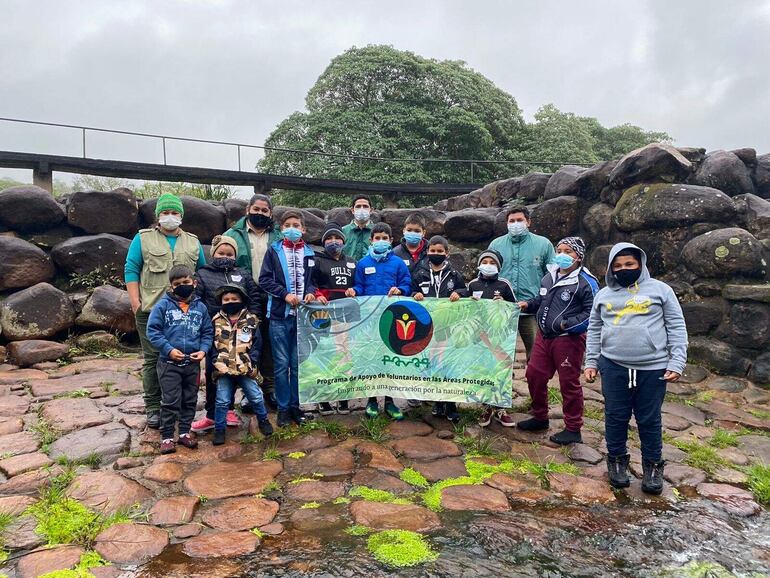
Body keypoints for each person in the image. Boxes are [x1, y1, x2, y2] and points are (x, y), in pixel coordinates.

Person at [584, 242, 687, 495]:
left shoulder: (660, 290)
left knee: (649, 419)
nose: (623, 269)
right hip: (613, 365)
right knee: (615, 416)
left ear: (640, 263)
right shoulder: (604, 294)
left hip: (653, 368)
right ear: (610, 268)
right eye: (617, 266)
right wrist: (591, 361)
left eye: (629, 264)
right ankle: (617, 461)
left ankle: (653, 466)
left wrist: (677, 361)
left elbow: (676, 325)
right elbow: (594, 329)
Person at [124, 193, 206, 429]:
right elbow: (131, 268)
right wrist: (135, 302)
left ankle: (178, 405)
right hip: (151, 309)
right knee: (153, 359)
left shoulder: (192, 241)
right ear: (158, 215)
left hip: (185, 312)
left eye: (174, 213)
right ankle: (153, 407)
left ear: (181, 215)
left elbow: (201, 272)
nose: (170, 217)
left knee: (183, 358)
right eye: (165, 212)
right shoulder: (143, 238)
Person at [517, 237, 599, 445]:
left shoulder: (586, 282)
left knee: (568, 383)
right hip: (543, 337)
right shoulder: (549, 276)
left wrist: (566, 325)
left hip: (568, 340)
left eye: (568, 251)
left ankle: (573, 428)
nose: (562, 254)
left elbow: (592, 313)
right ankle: (540, 416)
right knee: (534, 374)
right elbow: (542, 299)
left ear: (578, 257)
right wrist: (528, 304)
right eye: (559, 250)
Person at [191, 235, 262, 433]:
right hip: (215, 330)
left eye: (230, 253)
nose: (226, 256)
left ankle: (231, 409)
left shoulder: (243, 273)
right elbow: (196, 300)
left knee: (240, 367)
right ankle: (213, 413)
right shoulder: (203, 274)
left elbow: (254, 296)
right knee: (216, 370)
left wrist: (253, 319)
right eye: (222, 253)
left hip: (241, 330)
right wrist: (204, 324)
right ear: (213, 254)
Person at [259, 210, 317, 427]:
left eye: (296, 225)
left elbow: (312, 280)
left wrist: (310, 291)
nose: (292, 228)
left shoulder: (310, 254)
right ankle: (283, 409)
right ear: (281, 229)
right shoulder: (273, 251)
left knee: (297, 363)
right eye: (287, 225)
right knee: (282, 365)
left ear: (303, 229)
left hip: (302, 318)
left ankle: (296, 406)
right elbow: (264, 279)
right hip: (279, 316)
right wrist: (284, 294)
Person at [146, 265, 213, 454]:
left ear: (194, 283)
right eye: (178, 284)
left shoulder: (200, 308)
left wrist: (203, 351)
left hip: (192, 364)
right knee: (170, 400)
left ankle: (184, 433)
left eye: (186, 282)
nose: (182, 286)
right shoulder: (163, 306)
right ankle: (167, 436)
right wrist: (168, 350)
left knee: (190, 399)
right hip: (169, 364)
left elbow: (207, 332)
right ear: (171, 287)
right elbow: (153, 331)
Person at [224, 194, 281, 410]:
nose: (259, 213)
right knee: (246, 344)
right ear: (248, 209)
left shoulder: (277, 236)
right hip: (244, 296)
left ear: (270, 213)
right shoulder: (233, 234)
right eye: (256, 209)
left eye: (264, 211)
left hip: (273, 296)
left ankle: (270, 389)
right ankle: (249, 390)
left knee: (269, 344)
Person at [351, 222, 411, 420]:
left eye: (385, 238)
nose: (381, 241)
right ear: (371, 240)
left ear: (391, 241)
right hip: (369, 321)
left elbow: (406, 285)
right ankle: (371, 401)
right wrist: (354, 291)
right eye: (377, 238)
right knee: (370, 359)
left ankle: (390, 402)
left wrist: (400, 290)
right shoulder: (363, 264)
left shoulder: (398, 263)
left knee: (390, 360)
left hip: (391, 320)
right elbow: (359, 286)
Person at [488, 206, 555, 362]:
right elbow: (487, 273)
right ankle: (502, 384)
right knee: (499, 353)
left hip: (531, 309)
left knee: (536, 354)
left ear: (528, 222)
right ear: (507, 223)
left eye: (519, 220)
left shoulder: (543, 244)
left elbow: (552, 277)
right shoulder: (496, 245)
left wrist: (541, 301)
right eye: (512, 221)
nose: (515, 224)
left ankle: (535, 383)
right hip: (502, 309)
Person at [411, 235, 466, 423]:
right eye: (433, 251)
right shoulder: (420, 274)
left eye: (439, 251)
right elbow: (411, 290)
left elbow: (464, 290)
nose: (436, 254)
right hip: (427, 326)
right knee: (432, 362)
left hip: (447, 325)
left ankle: (451, 404)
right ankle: (437, 401)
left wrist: (458, 293)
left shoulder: (454, 274)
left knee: (447, 363)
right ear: (427, 252)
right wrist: (414, 294)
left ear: (447, 253)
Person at [210, 284, 273, 445]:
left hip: (245, 367)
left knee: (256, 397)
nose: (230, 302)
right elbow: (211, 344)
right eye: (226, 299)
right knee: (222, 400)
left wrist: (253, 361)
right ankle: (219, 429)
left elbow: (257, 343)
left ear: (242, 301)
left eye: (234, 299)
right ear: (221, 301)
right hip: (223, 367)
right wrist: (215, 361)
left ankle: (263, 420)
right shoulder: (216, 320)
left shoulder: (251, 320)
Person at [467, 250, 516, 428]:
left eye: (492, 262)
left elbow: (515, 308)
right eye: (485, 261)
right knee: (485, 370)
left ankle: (501, 408)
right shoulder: (473, 284)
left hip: (500, 336)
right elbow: (465, 309)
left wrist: (503, 303)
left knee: (502, 369)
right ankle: (486, 406)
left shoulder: (504, 284)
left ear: (498, 266)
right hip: (480, 337)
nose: (488, 265)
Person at [312, 222, 357, 415]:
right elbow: (309, 283)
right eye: (329, 238)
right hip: (323, 315)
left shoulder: (353, 262)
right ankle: (324, 397)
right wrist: (316, 293)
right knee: (325, 353)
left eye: (337, 237)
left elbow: (360, 284)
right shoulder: (316, 260)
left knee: (345, 354)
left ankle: (343, 395)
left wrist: (357, 290)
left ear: (343, 240)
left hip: (347, 315)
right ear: (323, 242)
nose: (333, 241)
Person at [342, 195, 374, 261]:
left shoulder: (378, 231)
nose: (361, 209)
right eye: (358, 206)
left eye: (365, 206)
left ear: (371, 210)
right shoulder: (343, 231)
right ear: (352, 210)